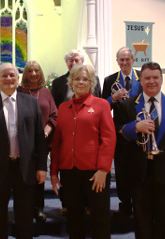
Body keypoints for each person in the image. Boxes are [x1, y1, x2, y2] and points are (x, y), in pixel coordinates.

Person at [117, 62, 165, 239]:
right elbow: (118, 133)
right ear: (140, 81)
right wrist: (135, 127)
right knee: (141, 223)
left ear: (161, 79)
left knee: (164, 222)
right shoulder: (127, 105)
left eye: (155, 77)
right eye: (147, 78)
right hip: (138, 173)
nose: (151, 81)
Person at [0, 63, 47, 239]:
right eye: (4, 76)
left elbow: (39, 136)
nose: (8, 79)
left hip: (26, 168)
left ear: (17, 79)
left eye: (12, 75)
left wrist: (42, 167)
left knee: (25, 217)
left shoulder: (31, 102)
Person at [50, 64, 116, 238]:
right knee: (74, 220)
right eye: (77, 78)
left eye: (85, 79)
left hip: (95, 173)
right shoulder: (63, 108)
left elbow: (109, 139)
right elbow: (57, 143)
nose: (81, 82)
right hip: (69, 172)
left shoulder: (101, 105)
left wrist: (103, 169)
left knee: (100, 220)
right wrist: (54, 172)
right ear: (71, 82)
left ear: (91, 82)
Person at [102, 46, 142, 216]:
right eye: (121, 59)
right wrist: (113, 98)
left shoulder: (143, 76)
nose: (124, 62)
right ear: (117, 61)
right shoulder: (110, 79)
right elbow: (102, 106)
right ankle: (125, 203)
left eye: (128, 59)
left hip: (141, 131)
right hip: (119, 132)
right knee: (122, 169)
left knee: (140, 168)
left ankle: (140, 203)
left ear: (133, 60)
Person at [18, 60, 57, 222]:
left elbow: (54, 115)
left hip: (42, 141)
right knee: (24, 176)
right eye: (30, 71)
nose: (33, 74)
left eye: (36, 71)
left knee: (39, 175)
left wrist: (45, 132)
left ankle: (38, 208)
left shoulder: (46, 92)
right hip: (23, 141)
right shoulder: (19, 91)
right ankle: (24, 207)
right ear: (25, 74)